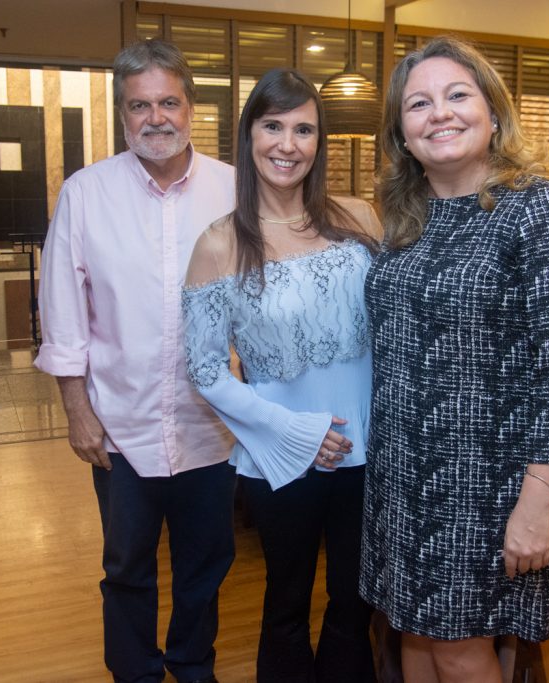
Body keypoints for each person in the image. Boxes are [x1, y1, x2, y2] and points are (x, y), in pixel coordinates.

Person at [360, 36, 549, 681]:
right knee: (412, 634)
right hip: (402, 478)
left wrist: (538, 502)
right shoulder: (408, 219)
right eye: (419, 104)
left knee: (460, 647)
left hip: (486, 486)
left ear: (493, 110)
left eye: (457, 95)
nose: (440, 113)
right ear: (402, 134)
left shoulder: (538, 210)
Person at [34, 39, 236, 683]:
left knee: (207, 560)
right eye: (139, 105)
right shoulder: (86, 193)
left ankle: (191, 661)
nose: (156, 117)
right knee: (126, 565)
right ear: (122, 116)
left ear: (191, 108)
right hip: (121, 426)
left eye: (168, 102)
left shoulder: (237, 189)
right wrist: (76, 411)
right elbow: (63, 310)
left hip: (216, 425)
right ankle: (134, 671)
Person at [183, 68, 381, 683]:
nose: (287, 144)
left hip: (372, 451)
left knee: (356, 604)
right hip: (282, 455)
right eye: (273, 126)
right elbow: (204, 369)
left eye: (304, 129)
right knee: (287, 605)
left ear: (319, 143)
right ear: (249, 136)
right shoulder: (220, 243)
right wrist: (295, 431)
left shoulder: (358, 220)